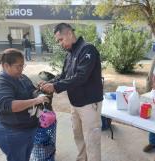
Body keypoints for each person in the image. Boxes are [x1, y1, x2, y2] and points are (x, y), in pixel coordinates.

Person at [40, 23, 103, 161]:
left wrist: (56, 87)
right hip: (75, 104)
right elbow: (64, 76)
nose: (60, 44)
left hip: (89, 104)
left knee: (91, 140)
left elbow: (81, 77)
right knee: (78, 136)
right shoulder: (69, 55)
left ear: (69, 33)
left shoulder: (88, 49)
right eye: (58, 41)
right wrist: (50, 83)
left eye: (61, 39)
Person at [0, 48, 49, 161]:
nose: (21, 69)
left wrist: (39, 90)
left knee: (25, 157)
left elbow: (32, 91)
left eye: (23, 65)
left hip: (28, 128)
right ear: (6, 65)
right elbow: (11, 105)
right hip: (12, 132)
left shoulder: (21, 77)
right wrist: (35, 101)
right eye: (18, 66)